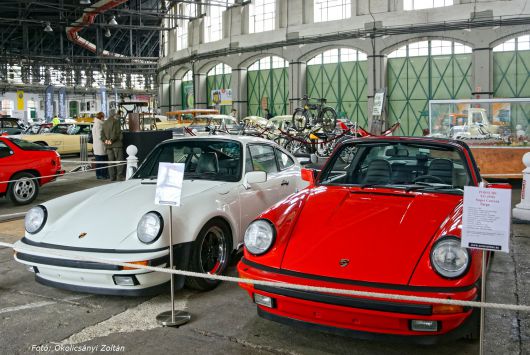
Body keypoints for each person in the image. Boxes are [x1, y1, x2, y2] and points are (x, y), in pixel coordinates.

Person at [101, 112, 125, 181]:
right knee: (119, 161)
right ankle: (119, 176)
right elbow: (116, 133)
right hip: (116, 145)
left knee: (111, 162)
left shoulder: (105, 123)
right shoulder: (116, 122)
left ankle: (112, 177)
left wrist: (106, 141)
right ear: (114, 115)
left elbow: (102, 134)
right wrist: (112, 140)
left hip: (108, 146)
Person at [92, 112, 109, 180]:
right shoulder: (98, 124)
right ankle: (102, 175)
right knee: (102, 161)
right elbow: (100, 136)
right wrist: (108, 141)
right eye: (103, 116)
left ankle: (99, 174)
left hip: (98, 146)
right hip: (100, 146)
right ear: (101, 117)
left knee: (99, 161)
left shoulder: (97, 124)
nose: (104, 118)